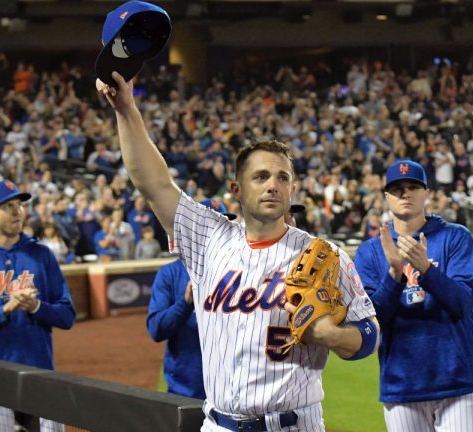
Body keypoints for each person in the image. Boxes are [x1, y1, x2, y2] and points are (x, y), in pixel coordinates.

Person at [98, 72, 378, 431]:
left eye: (282, 178)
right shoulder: (208, 239)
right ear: (237, 189)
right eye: (260, 177)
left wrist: (334, 337)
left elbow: (370, 332)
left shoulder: (325, 255)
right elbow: (153, 182)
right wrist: (126, 109)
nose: (273, 186)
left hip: (292, 424)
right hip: (219, 424)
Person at [353, 160, 473, 432]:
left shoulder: (455, 237)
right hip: (401, 384)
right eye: (397, 188)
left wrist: (426, 268)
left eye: (413, 186)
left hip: (458, 380)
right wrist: (395, 274)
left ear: (426, 192)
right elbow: (372, 319)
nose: (405, 193)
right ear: (387, 197)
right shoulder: (370, 252)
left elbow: (464, 303)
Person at [0, 180, 76, 432]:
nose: (18, 211)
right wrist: (5, 310)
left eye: (19, 205)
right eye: (8, 206)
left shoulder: (41, 255)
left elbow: (67, 315)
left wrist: (36, 307)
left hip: (41, 375)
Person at [147, 199, 235, 400]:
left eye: (222, 225)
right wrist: (185, 304)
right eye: (209, 224)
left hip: (232, 394)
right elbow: (156, 329)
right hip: (185, 394)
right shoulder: (170, 274)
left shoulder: (239, 272)